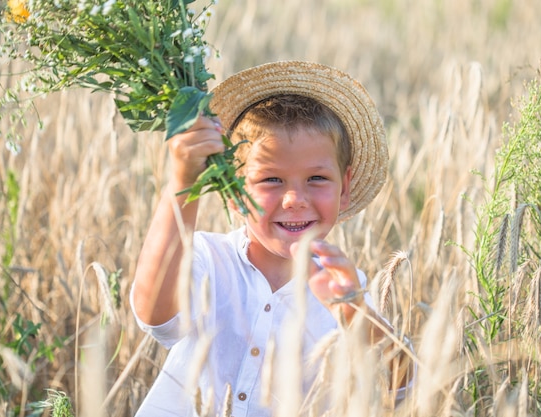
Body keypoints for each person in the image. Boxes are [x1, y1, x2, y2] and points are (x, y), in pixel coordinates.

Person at [130, 61, 414, 417]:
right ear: (233, 189)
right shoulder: (206, 258)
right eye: (271, 180)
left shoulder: (347, 288)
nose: (295, 198)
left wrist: (356, 314)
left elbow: (402, 387)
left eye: (316, 178)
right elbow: (156, 319)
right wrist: (184, 182)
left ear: (345, 187)